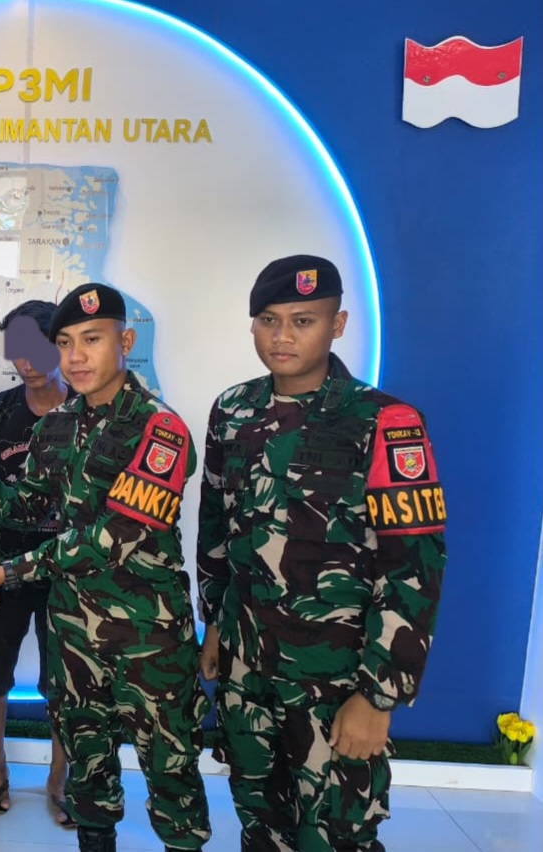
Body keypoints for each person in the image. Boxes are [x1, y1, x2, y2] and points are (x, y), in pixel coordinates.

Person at [0, 283, 211, 852]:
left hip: (147, 639)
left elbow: (115, 537)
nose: (76, 356)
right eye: (65, 343)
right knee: (88, 771)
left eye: (92, 339)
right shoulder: (57, 425)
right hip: (74, 633)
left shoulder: (160, 429)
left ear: (125, 342)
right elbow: (31, 504)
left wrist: (5, 573)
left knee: (171, 776)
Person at [197, 255, 447, 852]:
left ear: (337, 325)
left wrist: (378, 696)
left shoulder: (385, 421)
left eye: (302, 321)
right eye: (268, 320)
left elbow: (414, 567)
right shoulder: (233, 410)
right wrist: (216, 626)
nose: (282, 336)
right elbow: (216, 530)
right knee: (260, 825)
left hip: (335, 681)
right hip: (246, 671)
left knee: (335, 835)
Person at [0, 300, 71, 821]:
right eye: (16, 350)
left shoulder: (89, 411)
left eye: (37, 348)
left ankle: (59, 777)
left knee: (65, 682)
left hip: (69, 574)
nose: (26, 362)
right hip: (2, 571)